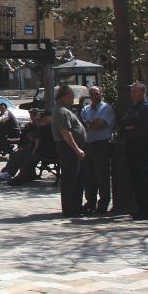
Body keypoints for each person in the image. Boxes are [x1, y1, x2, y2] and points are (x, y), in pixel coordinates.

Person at [119, 82, 148, 220]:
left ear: (143, 93)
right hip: (131, 145)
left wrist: (130, 127)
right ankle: (139, 207)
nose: (133, 94)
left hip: (140, 146)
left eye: (135, 91)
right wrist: (129, 127)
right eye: (132, 92)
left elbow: (141, 128)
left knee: (142, 179)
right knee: (134, 179)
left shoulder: (146, 108)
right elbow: (125, 123)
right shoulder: (133, 108)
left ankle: (147, 210)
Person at [52, 85, 87, 217]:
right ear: (65, 96)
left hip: (71, 148)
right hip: (68, 148)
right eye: (71, 95)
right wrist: (77, 149)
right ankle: (70, 209)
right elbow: (65, 132)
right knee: (71, 179)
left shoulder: (66, 109)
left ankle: (76, 206)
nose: (73, 98)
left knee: (77, 179)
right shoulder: (61, 111)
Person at [80, 85, 115, 214]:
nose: (94, 96)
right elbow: (83, 124)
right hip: (88, 145)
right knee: (89, 177)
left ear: (101, 94)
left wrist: (91, 123)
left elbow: (100, 125)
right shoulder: (86, 109)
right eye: (91, 94)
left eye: (96, 93)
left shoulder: (106, 108)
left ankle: (103, 204)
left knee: (102, 176)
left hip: (102, 145)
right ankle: (91, 203)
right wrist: (91, 123)